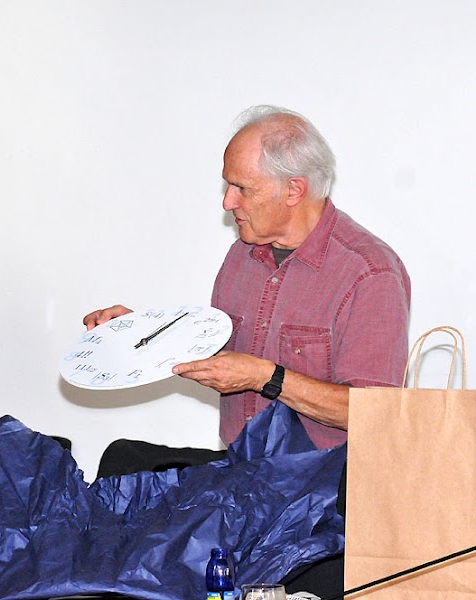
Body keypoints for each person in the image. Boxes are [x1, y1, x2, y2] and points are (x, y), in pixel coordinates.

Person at [83, 106, 411, 596]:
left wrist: (267, 377)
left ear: (294, 189)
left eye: (242, 188)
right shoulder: (243, 254)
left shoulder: (369, 273)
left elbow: (375, 413)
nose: (228, 202)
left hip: (325, 503)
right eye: (227, 185)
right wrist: (137, 334)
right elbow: (223, 357)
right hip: (244, 482)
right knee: (121, 470)